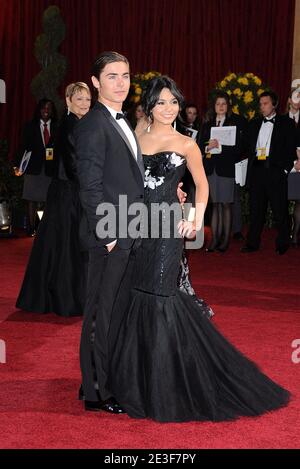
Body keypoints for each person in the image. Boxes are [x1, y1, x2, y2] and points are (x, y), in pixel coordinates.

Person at [109, 76, 290, 423]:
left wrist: (194, 219)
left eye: (174, 102)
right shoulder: (134, 136)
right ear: (149, 105)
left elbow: (202, 185)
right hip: (134, 226)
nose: (169, 108)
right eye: (161, 102)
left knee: (161, 296)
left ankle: (168, 384)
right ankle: (136, 379)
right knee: (134, 293)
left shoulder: (186, 143)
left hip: (165, 229)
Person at [16, 82, 92, 316]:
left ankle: (60, 296)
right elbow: (72, 166)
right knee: (66, 245)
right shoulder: (69, 126)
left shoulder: (79, 124)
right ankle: (65, 299)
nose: (84, 104)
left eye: (88, 99)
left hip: (68, 192)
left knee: (62, 245)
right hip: (68, 194)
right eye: (79, 99)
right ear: (68, 101)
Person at [241, 91, 297, 254]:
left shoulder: (286, 123)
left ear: (274, 105)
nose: (262, 107)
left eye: (265, 103)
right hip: (257, 171)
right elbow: (245, 146)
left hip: (275, 172)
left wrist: (285, 170)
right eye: (260, 104)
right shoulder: (253, 123)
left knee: (280, 210)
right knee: (256, 210)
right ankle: (252, 243)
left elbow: (291, 148)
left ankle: (282, 244)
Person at [198, 91, 246, 252]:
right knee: (215, 204)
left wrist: (219, 146)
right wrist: (207, 147)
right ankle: (214, 239)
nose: (221, 107)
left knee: (226, 204)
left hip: (226, 169)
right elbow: (199, 147)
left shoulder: (234, 124)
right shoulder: (207, 124)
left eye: (224, 104)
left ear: (228, 106)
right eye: (218, 104)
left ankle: (225, 239)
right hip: (211, 169)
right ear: (214, 106)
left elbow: (239, 148)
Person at [14, 99, 58, 236]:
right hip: (33, 168)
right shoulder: (30, 126)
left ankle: (43, 228)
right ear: (38, 110)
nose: (46, 110)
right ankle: (31, 228)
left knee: (48, 200)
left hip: (50, 169)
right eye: (43, 108)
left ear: (52, 111)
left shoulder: (57, 127)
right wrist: (17, 165)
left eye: (49, 108)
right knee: (31, 198)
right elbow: (23, 146)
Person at [286, 90, 300, 246]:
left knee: (299, 201)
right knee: (282, 200)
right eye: (295, 97)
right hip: (286, 166)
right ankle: (285, 232)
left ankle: (295, 234)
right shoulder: (282, 120)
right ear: (289, 100)